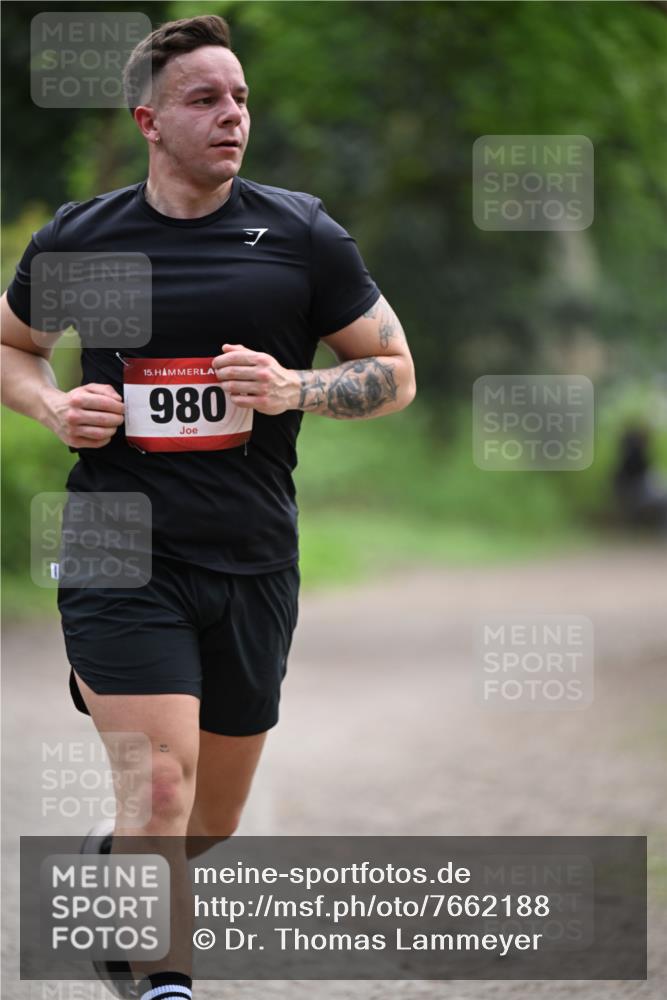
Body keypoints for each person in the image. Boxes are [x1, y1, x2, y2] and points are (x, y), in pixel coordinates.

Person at [0, 13, 416, 1000]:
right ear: (149, 119)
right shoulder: (82, 236)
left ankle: (119, 883)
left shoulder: (301, 236)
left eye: (239, 98)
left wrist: (297, 388)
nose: (231, 116)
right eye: (204, 99)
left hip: (250, 551)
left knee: (206, 822)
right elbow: (13, 347)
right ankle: (165, 985)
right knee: (162, 787)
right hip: (117, 545)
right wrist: (57, 404)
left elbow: (393, 373)